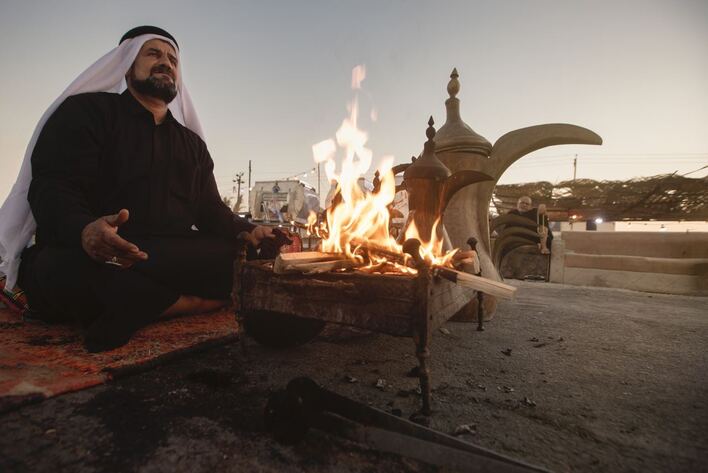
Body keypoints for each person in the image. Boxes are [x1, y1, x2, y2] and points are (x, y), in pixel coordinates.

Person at [0, 26, 274, 352]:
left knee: (242, 258)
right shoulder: (86, 113)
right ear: (128, 63)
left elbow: (211, 210)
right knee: (59, 269)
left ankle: (142, 304)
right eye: (153, 53)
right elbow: (53, 187)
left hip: (165, 253)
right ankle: (192, 301)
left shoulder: (193, 145)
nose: (166, 63)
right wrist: (86, 231)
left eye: (172, 59)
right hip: (95, 251)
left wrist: (249, 231)